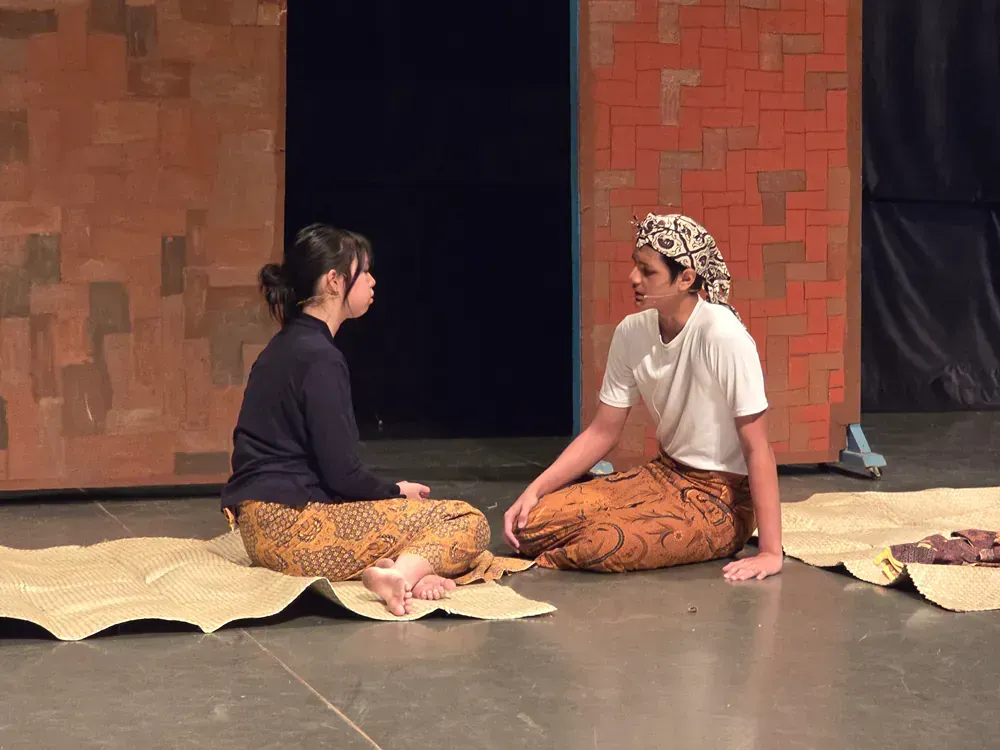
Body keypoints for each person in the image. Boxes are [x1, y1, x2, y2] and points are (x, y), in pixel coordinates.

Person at [221, 223, 491, 616]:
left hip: (259, 532)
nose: (372, 280)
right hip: (295, 534)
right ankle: (401, 573)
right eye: (363, 271)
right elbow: (342, 474)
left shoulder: (284, 347)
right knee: (466, 519)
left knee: (411, 521)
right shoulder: (319, 357)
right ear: (334, 281)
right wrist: (395, 492)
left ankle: (404, 571)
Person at [503, 213, 782, 581]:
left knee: (603, 543)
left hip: (721, 500)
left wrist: (770, 552)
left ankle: (593, 542)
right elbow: (603, 431)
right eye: (636, 266)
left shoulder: (722, 336)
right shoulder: (631, 331)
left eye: (648, 272)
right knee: (529, 524)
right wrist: (534, 490)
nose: (634, 278)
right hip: (664, 474)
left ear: (685, 278)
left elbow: (758, 447)